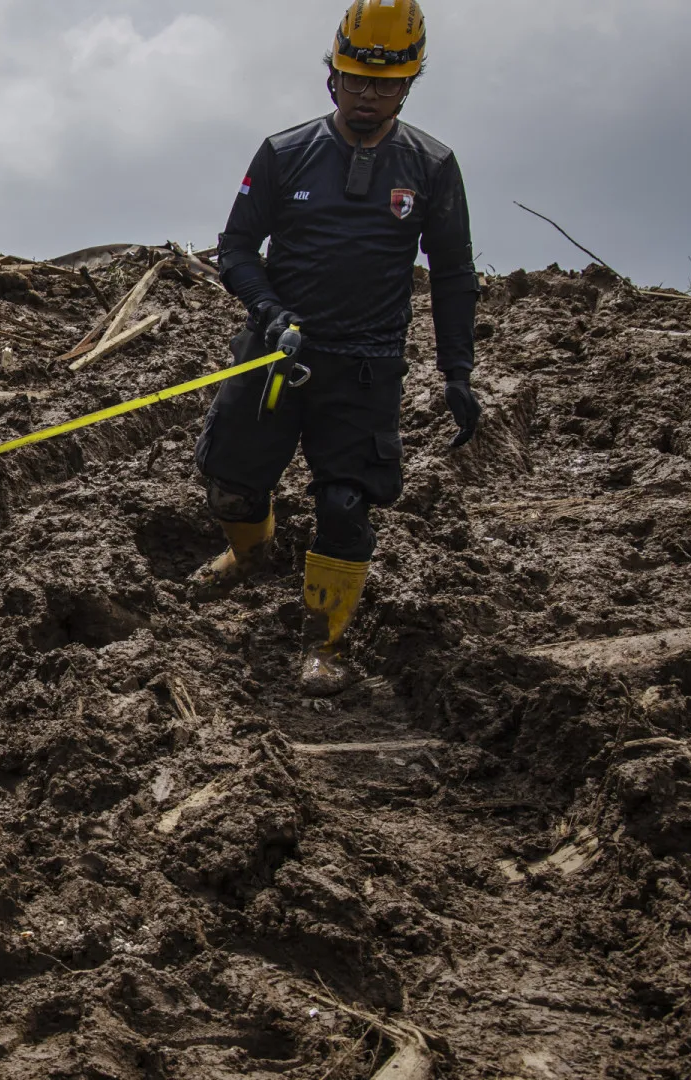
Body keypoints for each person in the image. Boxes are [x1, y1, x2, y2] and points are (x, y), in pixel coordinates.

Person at [195, 0, 481, 696]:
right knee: (233, 486)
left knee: (346, 505)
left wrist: (458, 371)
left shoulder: (433, 167)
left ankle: (323, 643)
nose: (368, 96)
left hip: (366, 363)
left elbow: (452, 273)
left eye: (384, 85)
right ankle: (250, 552)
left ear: (408, 84)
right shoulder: (284, 152)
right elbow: (235, 246)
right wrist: (269, 311)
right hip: (275, 353)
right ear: (332, 76)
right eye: (356, 81)